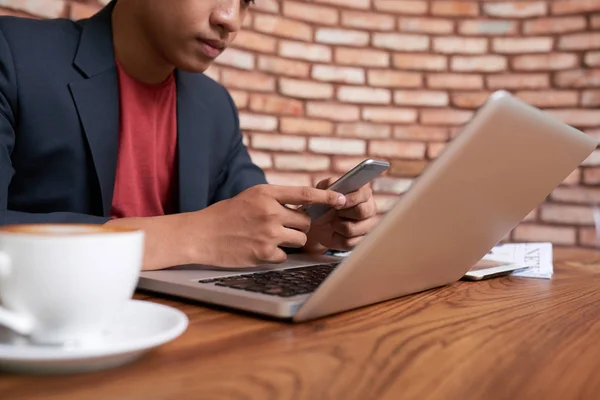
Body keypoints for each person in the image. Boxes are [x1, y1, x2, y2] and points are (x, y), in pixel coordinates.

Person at [0, 0, 379, 270]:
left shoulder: (214, 106)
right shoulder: (13, 53)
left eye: (246, 1)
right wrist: (193, 235)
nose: (230, 19)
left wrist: (312, 231)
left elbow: (247, 225)